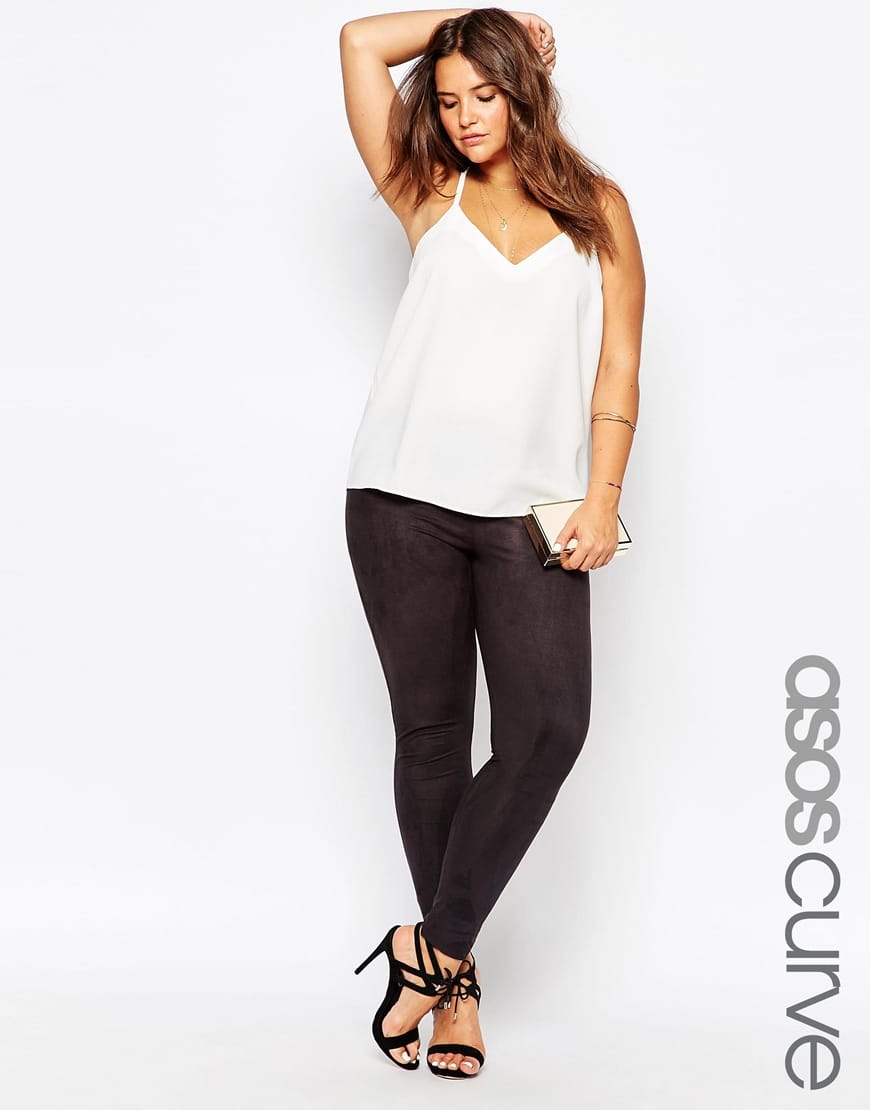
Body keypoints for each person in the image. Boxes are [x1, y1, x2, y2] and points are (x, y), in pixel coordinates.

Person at [339, 6, 645, 1080]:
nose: (466, 116)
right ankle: (456, 986)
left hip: (534, 514)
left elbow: (617, 366)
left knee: (549, 727)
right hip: (401, 503)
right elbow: (359, 42)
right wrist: (492, 14)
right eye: (450, 97)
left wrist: (602, 497)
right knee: (432, 740)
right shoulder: (426, 188)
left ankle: (425, 948)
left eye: (487, 93)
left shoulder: (598, 208)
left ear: (526, 89)